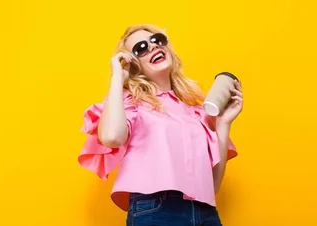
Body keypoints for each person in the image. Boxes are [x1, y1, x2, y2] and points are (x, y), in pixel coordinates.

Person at [78, 24, 242, 226]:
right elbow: (111, 137)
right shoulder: (131, 104)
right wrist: (118, 78)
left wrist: (224, 124)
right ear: (134, 64)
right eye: (141, 48)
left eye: (157, 40)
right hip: (156, 211)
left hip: (205, 213)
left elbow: (213, 186)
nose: (153, 47)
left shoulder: (194, 111)